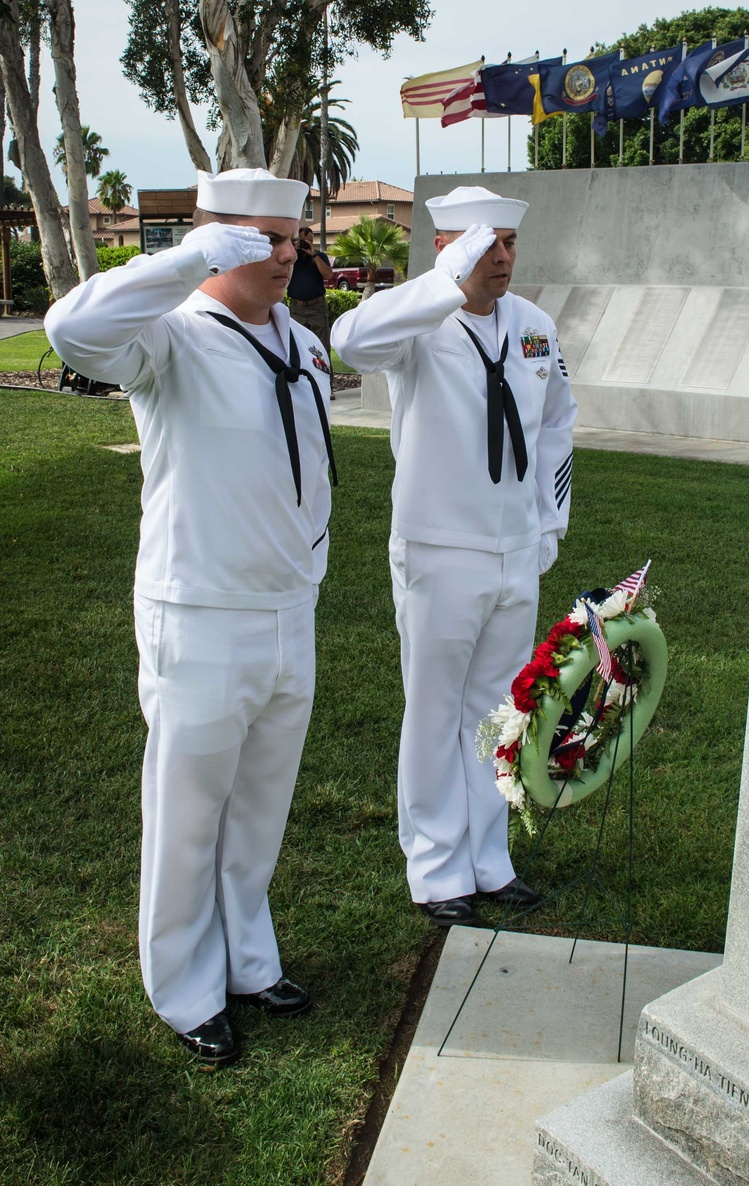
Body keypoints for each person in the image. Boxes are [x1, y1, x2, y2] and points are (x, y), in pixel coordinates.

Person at [45, 168, 336, 1066]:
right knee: (187, 813)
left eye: (292, 236)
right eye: (262, 237)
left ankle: (248, 958)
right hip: (203, 613)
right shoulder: (168, 338)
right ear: (217, 236)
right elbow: (70, 329)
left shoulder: (307, 346)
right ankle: (185, 989)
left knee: (259, 810)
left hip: (291, 610)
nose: (286, 253)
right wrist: (186, 259)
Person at [332, 185, 576, 927]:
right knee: (436, 710)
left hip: (512, 550)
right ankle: (437, 869)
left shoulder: (532, 327)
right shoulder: (418, 324)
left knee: (500, 709)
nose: (501, 258)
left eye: (509, 243)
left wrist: (549, 522)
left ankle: (488, 859)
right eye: (485, 245)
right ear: (446, 248)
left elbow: (557, 423)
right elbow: (350, 341)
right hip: (439, 548)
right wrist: (438, 286)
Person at [288, 226, 333, 354]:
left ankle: (326, 373)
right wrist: (293, 251)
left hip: (316, 307)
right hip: (297, 308)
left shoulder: (319, 256)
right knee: (297, 345)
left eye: (310, 241)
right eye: (304, 241)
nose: (307, 244)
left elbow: (328, 275)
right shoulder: (291, 258)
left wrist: (314, 255)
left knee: (322, 345)